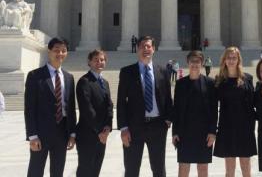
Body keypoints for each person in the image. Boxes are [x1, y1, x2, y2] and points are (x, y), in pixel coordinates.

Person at [117, 36, 173, 177]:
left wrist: (168, 119)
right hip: (134, 127)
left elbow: (167, 98)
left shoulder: (163, 72)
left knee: (159, 168)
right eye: (142, 46)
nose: (146, 49)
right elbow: (121, 102)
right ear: (137, 49)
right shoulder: (127, 72)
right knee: (131, 168)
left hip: (158, 126)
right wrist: (123, 128)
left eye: (148, 46)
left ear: (154, 49)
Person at [24, 37, 76, 177]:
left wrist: (72, 133)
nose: (60, 54)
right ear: (49, 52)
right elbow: (29, 108)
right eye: (56, 50)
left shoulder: (69, 77)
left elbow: (70, 108)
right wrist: (32, 135)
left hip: (62, 132)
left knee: (58, 170)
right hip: (41, 133)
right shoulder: (35, 76)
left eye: (63, 51)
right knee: (36, 169)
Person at [172, 51, 218, 177]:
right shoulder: (180, 84)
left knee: (202, 168)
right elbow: (176, 109)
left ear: (202, 64)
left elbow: (214, 110)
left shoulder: (210, 83)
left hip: (204, 133)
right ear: (188, 63)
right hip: (184, 132)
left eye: (197, 61)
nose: (195, 64)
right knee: (183, 167)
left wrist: (213, 132)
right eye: (192, 61)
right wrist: (175, 132)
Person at [214, 46, 257, 177]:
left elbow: (253, 102)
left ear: (238, 60)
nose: (231, 60)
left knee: (246, 168)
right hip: (227, 127)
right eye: (229, 58)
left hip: (245, 127)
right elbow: (212, 105)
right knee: (229, 169)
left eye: (234, 58)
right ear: (224, 60)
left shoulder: (247, 79)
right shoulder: (219, 80)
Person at [76, 49, 113, 177]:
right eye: (96, 60)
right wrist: (99, 132)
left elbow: (109, 106)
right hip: (88, 135)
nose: (99, 62)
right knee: (85, 170)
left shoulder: (105, 83)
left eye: (102, 60)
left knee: (96, 169)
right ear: (89, 62)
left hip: (102, 135)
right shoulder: (84, 81)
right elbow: (87, 109)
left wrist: (108, 127)